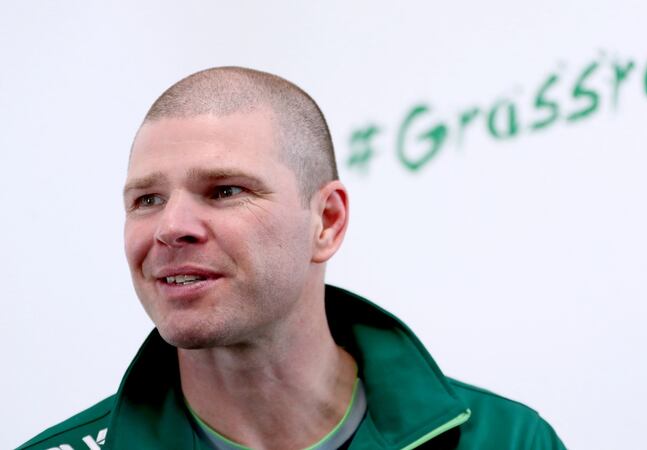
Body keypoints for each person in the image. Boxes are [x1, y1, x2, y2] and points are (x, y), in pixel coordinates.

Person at [18, 67, 567, 450]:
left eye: (225, 190)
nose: (170, 228)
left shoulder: (506, 440)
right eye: (147, 200)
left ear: (326, 221)